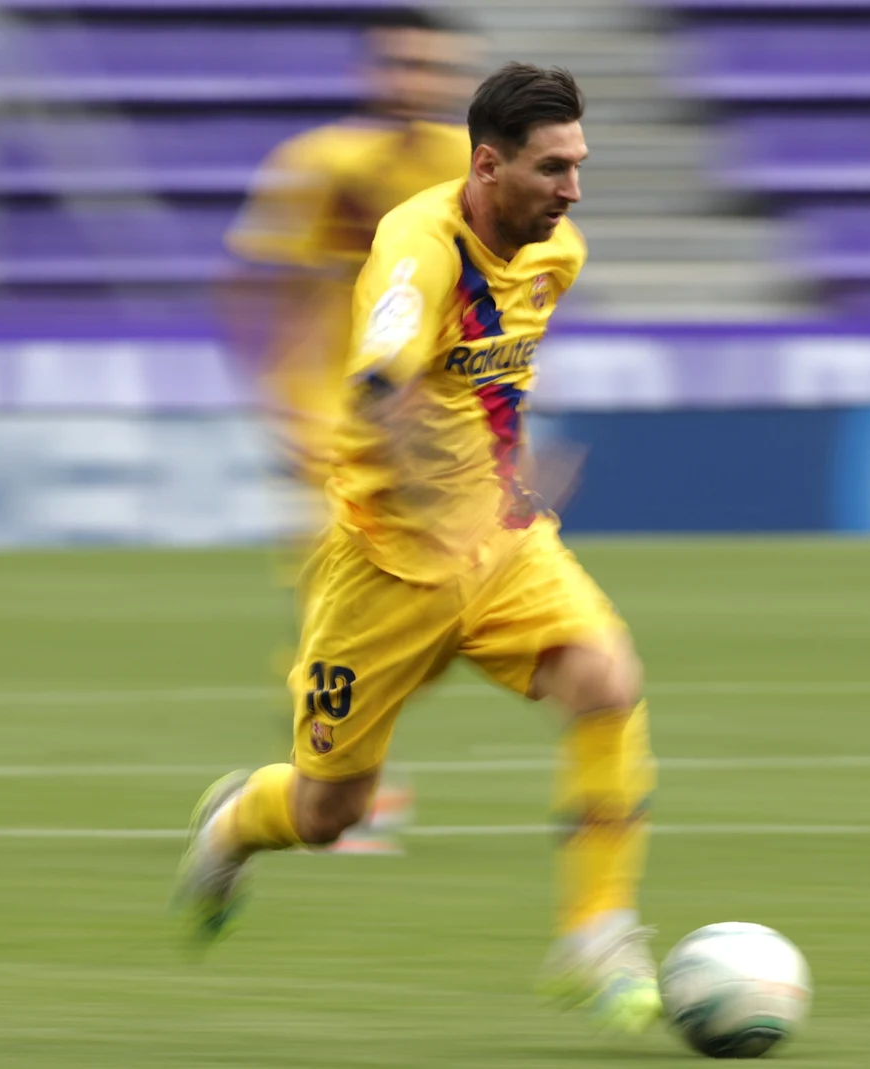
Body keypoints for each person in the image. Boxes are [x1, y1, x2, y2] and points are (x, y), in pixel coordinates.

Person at [177, 63, 663, 1034]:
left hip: (502, 547)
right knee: (330, 813)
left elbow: (486, 385)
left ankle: (597, 930)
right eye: (553, 167)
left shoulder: (554, 253)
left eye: (579, 165)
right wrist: (434, 496)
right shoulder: (414, 245)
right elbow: (381, 385)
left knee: (607, 680)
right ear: (488, 165)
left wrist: (502, 481)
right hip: (383, 567)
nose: (572, 189)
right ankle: (234, 820)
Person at [221, 8, 477, 853]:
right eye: (398, 63)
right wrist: (278, 400)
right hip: (332, 426)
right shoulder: (321, 165)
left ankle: (324, 784)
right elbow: (265, 289)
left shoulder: (459, 165)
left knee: (436, 615)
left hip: (421, 428)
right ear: (372, 72)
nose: (411, 80)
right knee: (342, 616)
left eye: (427, 65)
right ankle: (330, 796)